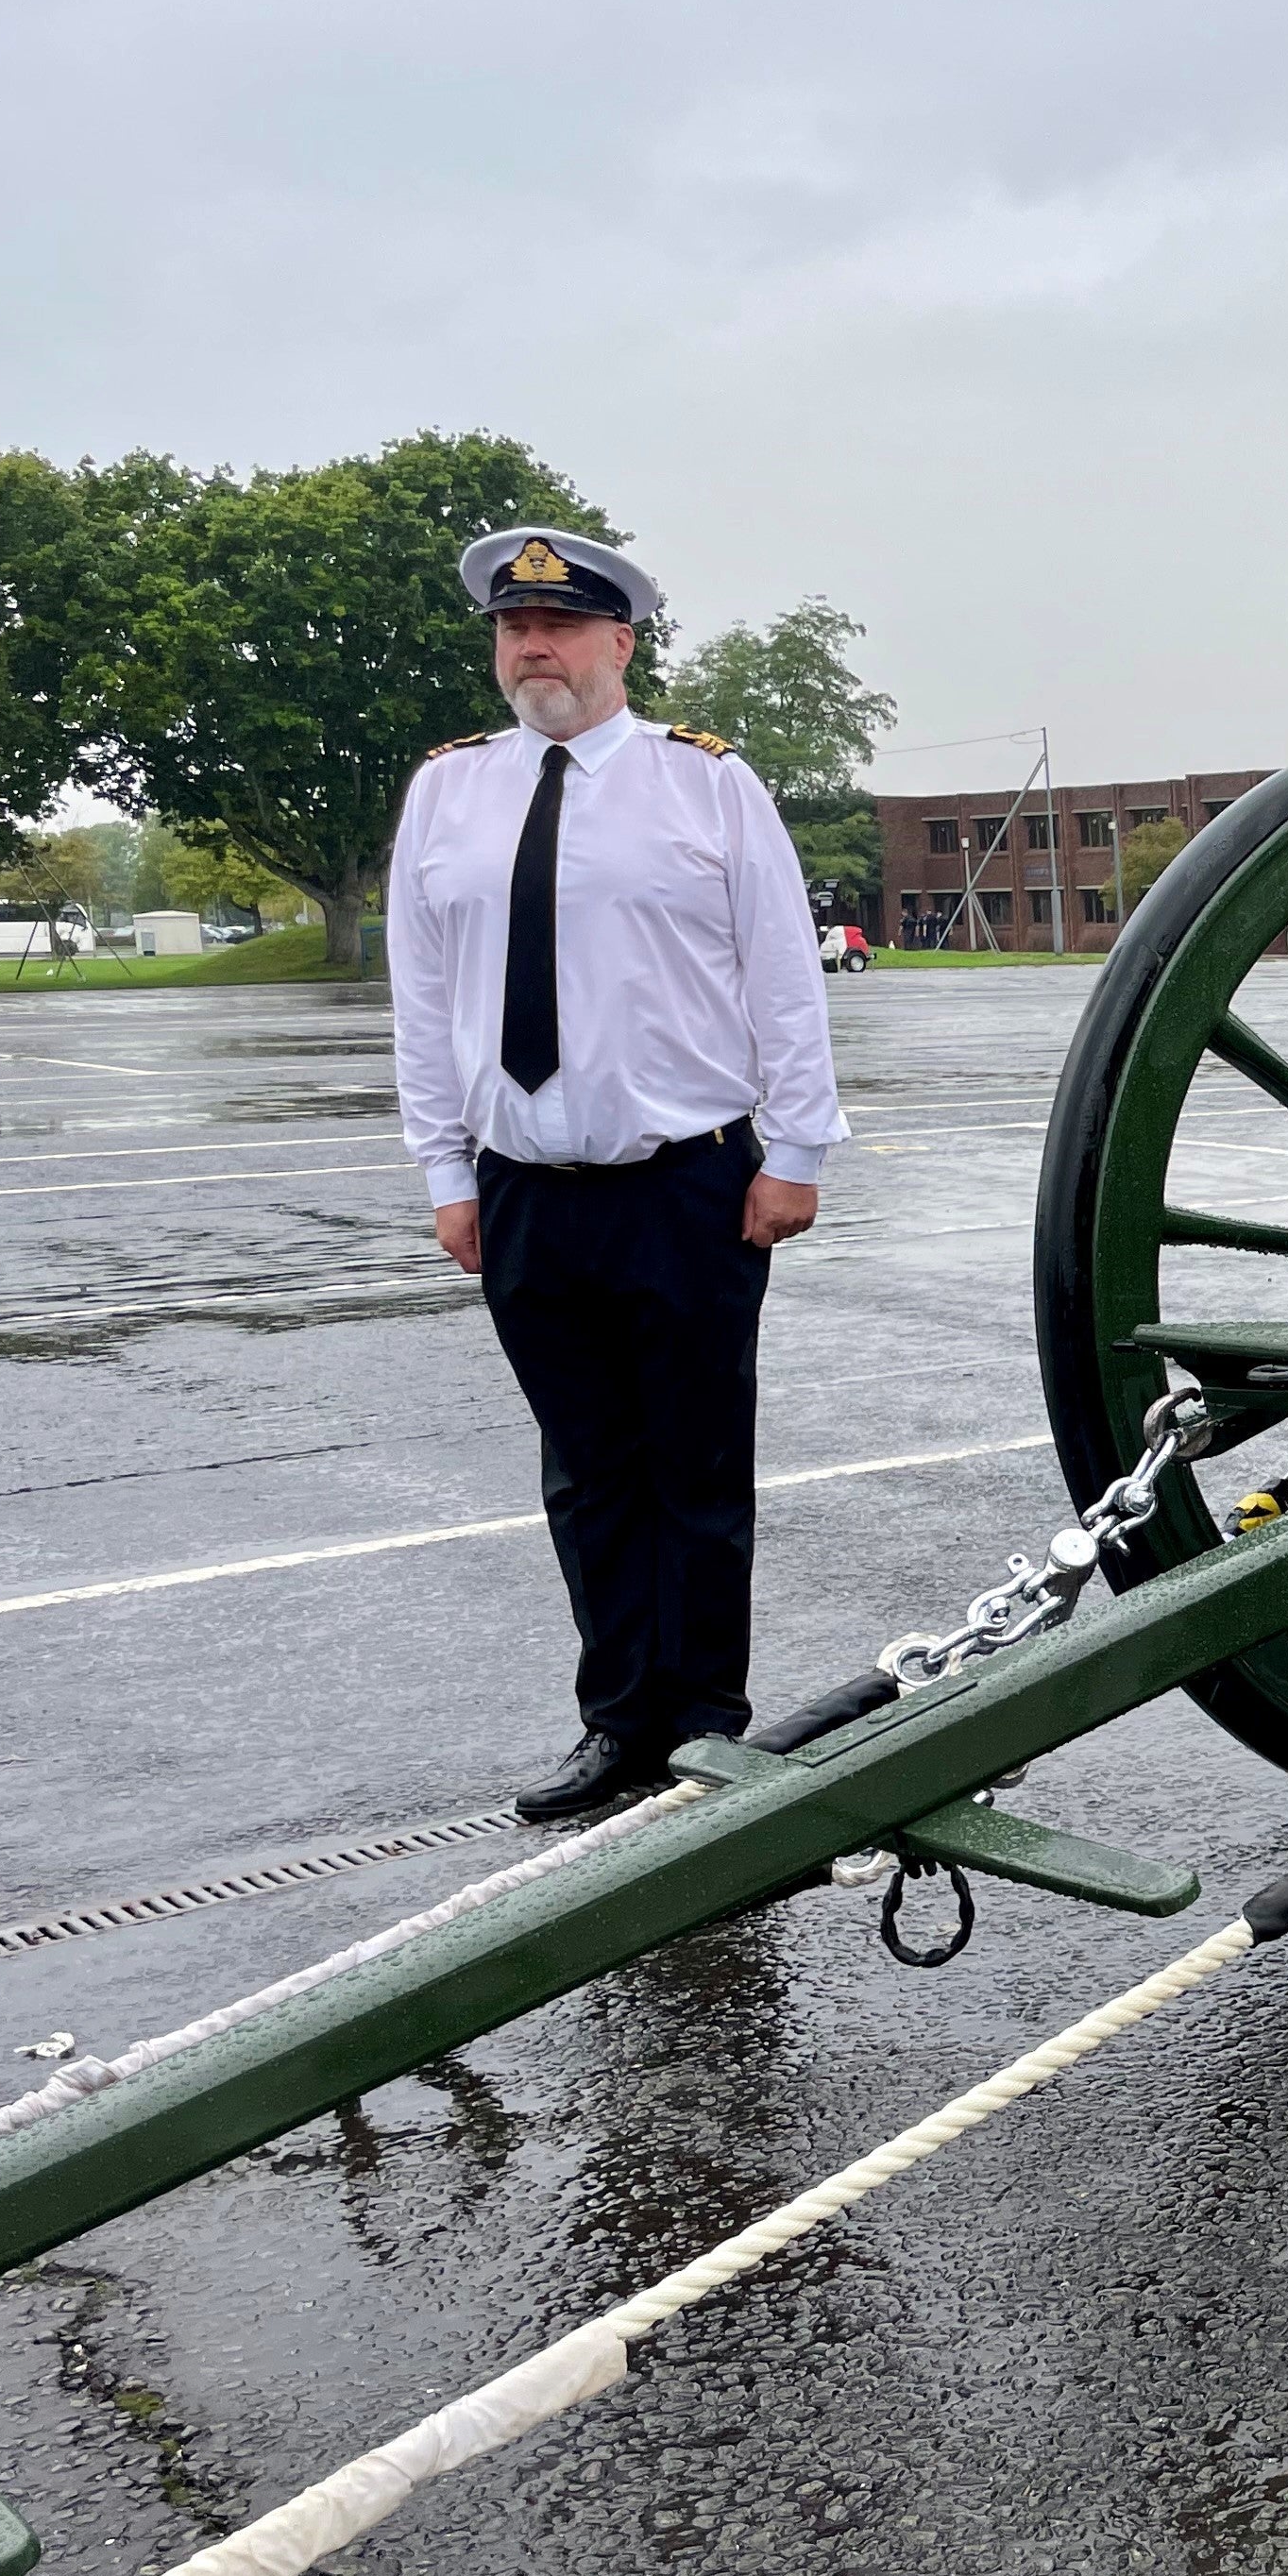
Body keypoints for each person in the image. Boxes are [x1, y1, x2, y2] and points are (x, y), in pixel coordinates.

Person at [388, 526, 849, 1821]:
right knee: (587, 1472)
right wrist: (447, 1173)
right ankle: (614, 1726)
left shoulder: (704, 783)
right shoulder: (449, 792)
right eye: (512, 630)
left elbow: (781, 977)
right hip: (524, 1185)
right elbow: (422, 1002)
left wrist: (797, 1151)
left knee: (696, 1472)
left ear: (619, 644)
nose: (532, 650)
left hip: (687, 1182)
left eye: (559, 629)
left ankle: (703, 1730)